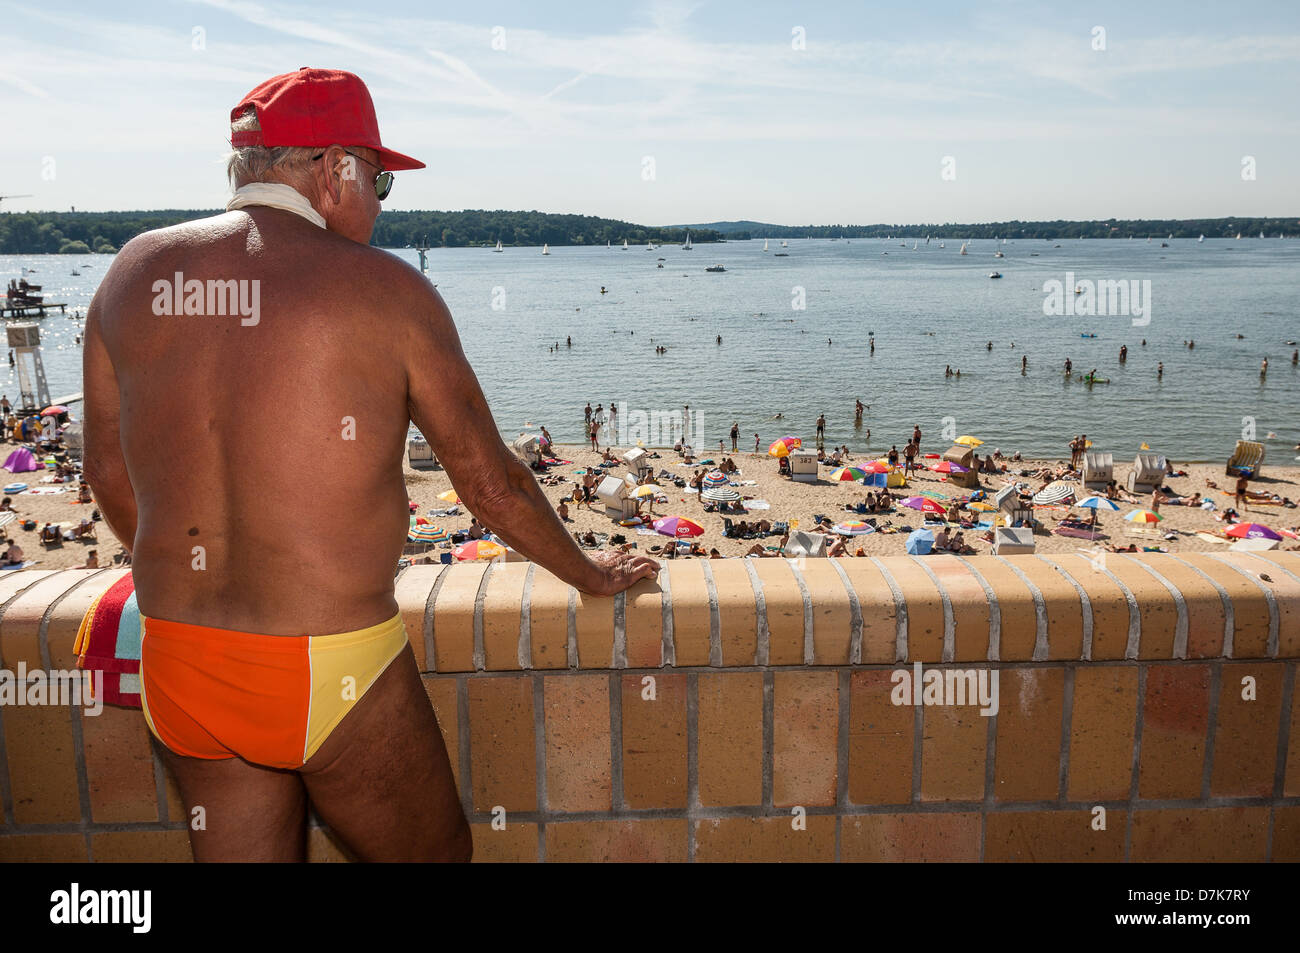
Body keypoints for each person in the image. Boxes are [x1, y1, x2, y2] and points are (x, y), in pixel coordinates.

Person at [82, 68, 657, 865]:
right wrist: (587, 572)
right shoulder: (388, 291)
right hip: (330, 664)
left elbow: (109, 473)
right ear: (332, 169)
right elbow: (490, 483)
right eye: (379, 179)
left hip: (181, 652)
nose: (383, 202)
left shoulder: (131, 272)